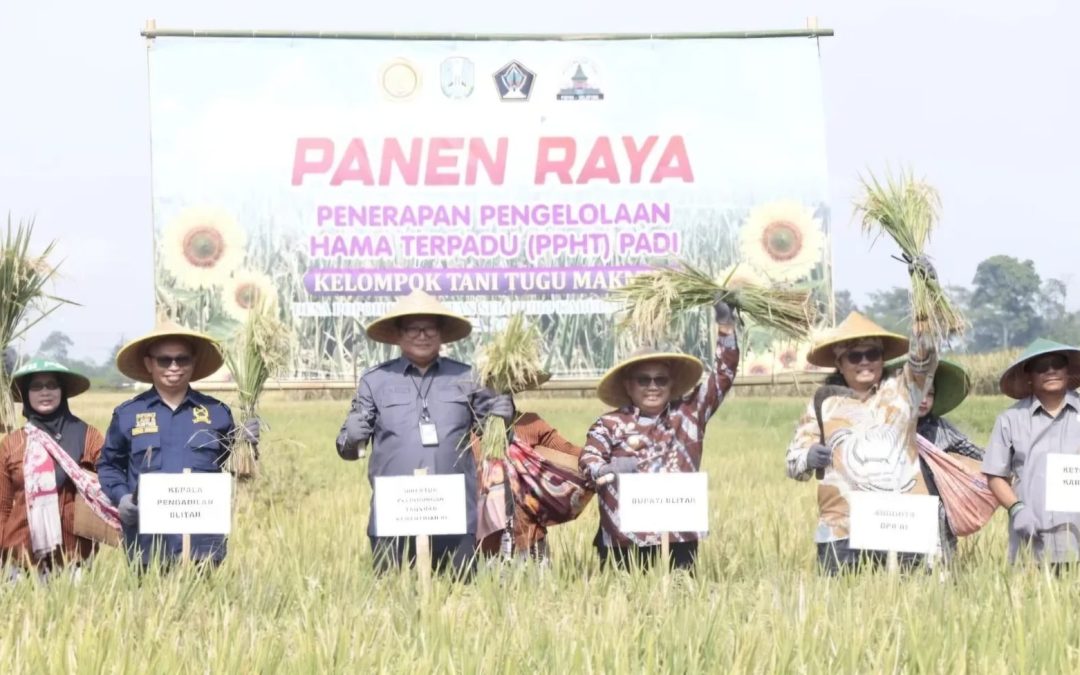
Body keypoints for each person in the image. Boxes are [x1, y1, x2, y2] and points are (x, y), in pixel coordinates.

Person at [335, 289, 513, 581]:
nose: (422, 335)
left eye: (430, 327)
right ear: (398, 334)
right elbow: (348, 449)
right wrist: (352, 437)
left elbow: (496, 441)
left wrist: (504, 419)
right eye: (413, 328)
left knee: (460, 603)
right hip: (394, 515)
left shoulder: (469, 378)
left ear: (441, 334)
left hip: (454, 514)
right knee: (391, 602)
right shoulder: (375, 381)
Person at [579, 299, 739, 573]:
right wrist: (606, 469)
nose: (652, 386)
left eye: (660, 380)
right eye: (644, 380)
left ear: (671, 384)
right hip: (624, 540)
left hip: (677, 537)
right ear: (629, 385)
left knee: (680, 605)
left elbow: (723, 375)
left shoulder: (689, 414)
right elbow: (588, 459)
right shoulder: (609, 424)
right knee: (625, 610)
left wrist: (725, 325)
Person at [786, 292, 939, 574]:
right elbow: (793, 463)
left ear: (882, 360)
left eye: (873, 354)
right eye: (855, 356)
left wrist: (923, 309)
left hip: (903, 522)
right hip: (842, 528)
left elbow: (925, 359)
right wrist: (809, 456)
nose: (865, 362)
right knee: (843, 613)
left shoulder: (903, 392)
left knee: (912, 610)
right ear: (840, 364)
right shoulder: (824, 403)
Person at [97, 321, 258, 571]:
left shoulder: (217, 413)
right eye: (164, 360)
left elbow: (235, 467)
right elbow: (109, 466)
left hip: (203, 545)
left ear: (193, 363)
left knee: (207, 608)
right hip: (148, 545)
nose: (174, 367)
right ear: (149, 364)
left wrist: (247, 444)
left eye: (182, 360)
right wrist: (122, 498)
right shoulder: (128, 414)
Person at [0, 359, 118, 580]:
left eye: (52, 385)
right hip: (20, 559)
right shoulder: (13, 443)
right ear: (26, 394)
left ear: (62, 391)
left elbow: (111, 475)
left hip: (74, 559)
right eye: (36, 386)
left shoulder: (87, 436)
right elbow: (2, 506)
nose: (45, 392)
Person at [982, 338, 1080, 570]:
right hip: (1032, 538)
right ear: (1029, 376)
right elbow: (995, 475)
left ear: (1067, 371)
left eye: (1057, 363)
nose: (1051, 370)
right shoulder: (1010, 420)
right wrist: (1017, 509)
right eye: (1041, 367)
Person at [473, 380, 594, 563]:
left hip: (528, 539)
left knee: (534, 586)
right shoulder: (470, 434)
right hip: (482, 545)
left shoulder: (529, 424)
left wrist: (604, 459)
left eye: (502, 393)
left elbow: (570, 453)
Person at [889, 357, 983, 564]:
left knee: (941, 572)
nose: (924, 400)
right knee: (895, 575)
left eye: (930, 394)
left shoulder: (940, 429)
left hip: (935, 515)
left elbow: (979, 454)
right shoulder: (884, 428)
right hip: (893, 517)